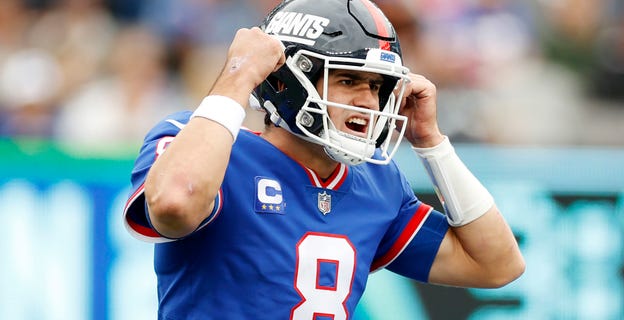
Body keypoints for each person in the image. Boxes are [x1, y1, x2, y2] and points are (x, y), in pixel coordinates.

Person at [123, 0, 525, 318]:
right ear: (283, 81)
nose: (368, 102)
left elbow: (497, 265)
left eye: (378, 87)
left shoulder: (376, 182)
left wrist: (432, 143)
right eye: (349, 80)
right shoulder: (198, 141)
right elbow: (175, 203)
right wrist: (238, 76)